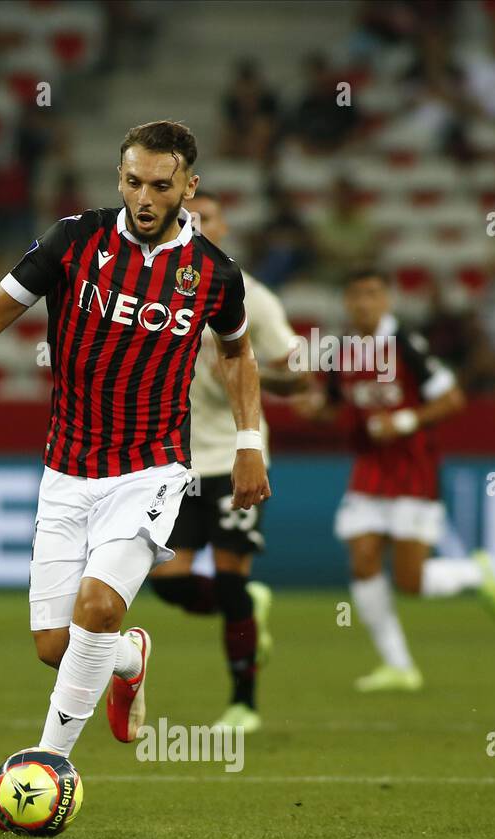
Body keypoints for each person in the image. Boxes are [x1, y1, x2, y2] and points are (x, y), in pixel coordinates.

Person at [0, 121, 269, 827]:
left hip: (152, 466)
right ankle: (129, 661)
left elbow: (237, 353)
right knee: (56, 646)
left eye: (162, 184)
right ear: (118, 176)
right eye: (133, 181)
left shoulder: (213, 273)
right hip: (67, 469)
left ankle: (42, 770)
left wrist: (249, 438)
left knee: (98, 607)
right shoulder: (75, 241)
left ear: (190, 186)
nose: (145, 196)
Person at [294, 268, 495, 692]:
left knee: (411, 583)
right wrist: (314, 409)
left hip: (413, 469)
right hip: (370, 469)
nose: (364, 303)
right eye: (356, 295)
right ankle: (399, 665)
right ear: (346, 303)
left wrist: (404, 419)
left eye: (372, 294)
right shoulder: (341, 353)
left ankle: (472, 572)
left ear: (387, 300)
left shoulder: (405, 344)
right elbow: (337, 407)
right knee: (363, 557)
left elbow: (452, 399)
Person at [149, 189, 307, 734]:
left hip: (235, 456)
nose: (195, 222)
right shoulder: (156, 282)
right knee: (167, 580)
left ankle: (244, 702)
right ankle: (243, 604)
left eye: (206, 217)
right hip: (176, 462)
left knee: (230, 575)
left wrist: (247, 369)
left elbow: (300, 373)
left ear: (224, 226)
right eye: (187, 216)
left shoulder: (250, 296)